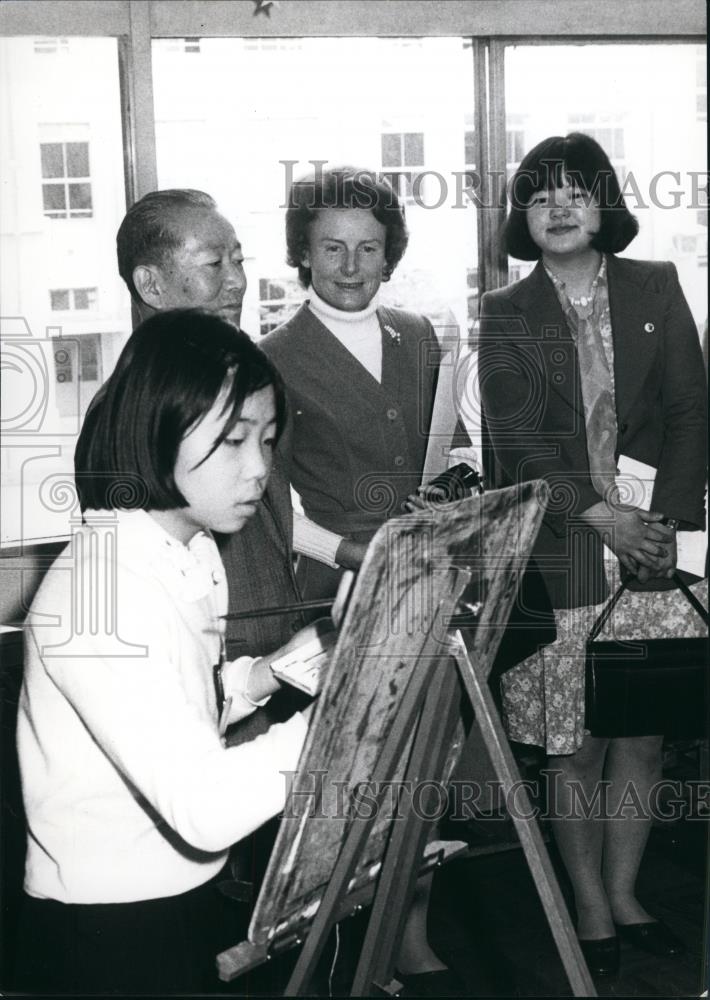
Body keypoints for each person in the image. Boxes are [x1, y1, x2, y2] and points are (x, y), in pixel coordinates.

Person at [14, 310, 312, 994]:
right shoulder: (104, 592)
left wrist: (266, 675)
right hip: (111, 917)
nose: (260, 467)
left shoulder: (184, 546)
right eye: (233, 441)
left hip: (173, 890)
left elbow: (177, 700)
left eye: (267, 440)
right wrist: (342, 720)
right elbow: (203, 806)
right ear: (156, 430)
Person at [478, 133, 707, 977]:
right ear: (523, 218)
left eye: (577, 192)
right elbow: (518, 442)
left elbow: (690, 410)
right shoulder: (506, 311)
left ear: (604, 203)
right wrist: (605, 517)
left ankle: (626, 893)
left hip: (654, 549)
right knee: (572, 741)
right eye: (541, 197)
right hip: (564, 549)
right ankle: (586, 905)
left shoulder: (656, 285)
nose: (560, 208)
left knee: (641, 732)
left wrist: (666, 531)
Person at [262, 166, 470, 992]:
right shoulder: (271, 356)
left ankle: (411, 927)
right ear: (303, 255)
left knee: (429, 759)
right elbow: (269, 503)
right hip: (335, 593)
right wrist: (353, 554)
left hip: (428, 585)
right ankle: (340, 941)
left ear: (391, 255)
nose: (350, 267)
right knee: (350, 775)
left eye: (368, 249)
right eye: (331, 249)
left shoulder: (420, 336)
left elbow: (444, 451)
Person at [101, 189, 305, 664]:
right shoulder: (126, 414)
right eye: (214, 264)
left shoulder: (247, 382)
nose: (237, 283)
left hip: (277, 664)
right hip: (210, 674)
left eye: (239, 261)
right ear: (151, 286)